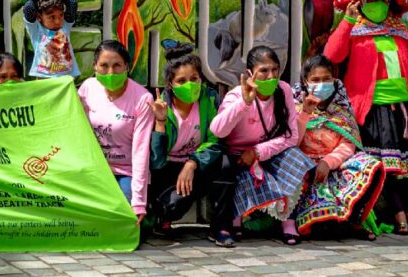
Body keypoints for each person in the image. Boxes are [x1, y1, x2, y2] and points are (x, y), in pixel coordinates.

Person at [320, 0, 408, 235]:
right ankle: (399, 214)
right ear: (360, 3)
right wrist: (348, 20)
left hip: (406, 109)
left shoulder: (401, 32)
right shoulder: (354, 30)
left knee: (407, 165)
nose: (378, 4)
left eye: (382, 0)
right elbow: (331, 55)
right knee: (388, 166)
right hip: (372, 110)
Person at [207, 46, 307, 246]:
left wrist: (258, 152)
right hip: (238, 157)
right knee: (226, 167)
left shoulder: (283, 90)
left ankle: (288, 222)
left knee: (295, 156)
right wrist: (244, 102)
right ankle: (232, 221)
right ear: (250, 74)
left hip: (266, 153)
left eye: (275, 70)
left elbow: (291, 136)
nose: (271, 76)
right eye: (264, 71)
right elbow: (218, 130)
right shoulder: (235, 96)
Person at [290, 56, 384, 240]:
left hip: (334, 166)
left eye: (326, 79)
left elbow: (348, 145)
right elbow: (292, 142)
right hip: (306, 169)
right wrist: (305, 114)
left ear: (334, 80)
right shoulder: (295, 108)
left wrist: (328, 162)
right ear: (305, 82)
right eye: (315, 80)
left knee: (370, 164)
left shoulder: (342, 110)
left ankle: (353, 221)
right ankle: (324, 224)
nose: (321, 84)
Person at [146, 53, 229, 239]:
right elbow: (156, 161)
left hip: (197, 165)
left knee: (225, 164)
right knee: (171, 207)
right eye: (181, 81)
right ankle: (163, 218)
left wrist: (192, 163)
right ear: (170, 84)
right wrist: (160, 122)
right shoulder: (161, 105)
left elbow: (216, 139)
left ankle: (221, 227)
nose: (189, 85)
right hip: (166, 169)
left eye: (194, 79)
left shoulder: (210, 99)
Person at [80, 40, 156, 222]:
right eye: (104, 66)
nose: (111, 72)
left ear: (127, 67)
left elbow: (140, 152)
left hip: (126, 172)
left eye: (117, 66)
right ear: (95, 67)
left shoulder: (143, 98)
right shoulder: (87, 88)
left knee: (122, 220)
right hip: (95, 170)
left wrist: (138, 202)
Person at [20, 0, 80, 78]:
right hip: (43, 77)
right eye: (51, 17)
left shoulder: (65, 27)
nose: (58, 21)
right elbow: (29, 7)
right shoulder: (36, 30)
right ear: (39, 17)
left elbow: (72, 3)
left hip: (66, 76)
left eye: (61, 15)